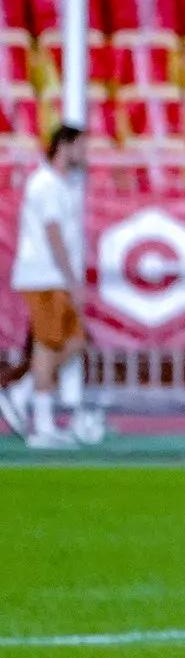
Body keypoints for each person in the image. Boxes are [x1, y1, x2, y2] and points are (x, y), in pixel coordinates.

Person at [1, 126, 96, 451]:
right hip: (43, 274)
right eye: (81, 146)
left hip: (53, 276)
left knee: (74, 342)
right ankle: (41, 425)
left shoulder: (60, 184)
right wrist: (72, 279)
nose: (85, 154)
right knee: (49, 345)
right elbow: (53, 233)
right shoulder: (45, 184)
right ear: (64, 146)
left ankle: (21, 393)